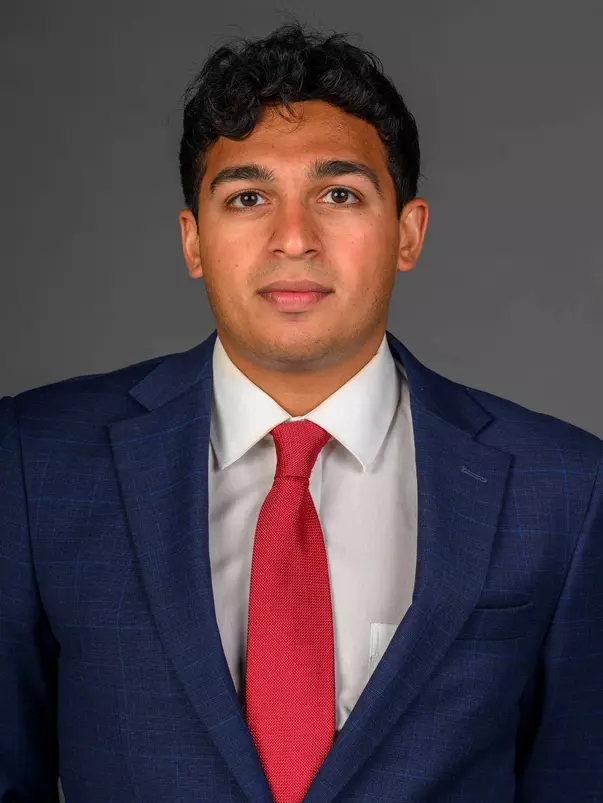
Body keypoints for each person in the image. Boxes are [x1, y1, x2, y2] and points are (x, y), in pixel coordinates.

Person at [1, 20, 601, 803]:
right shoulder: (34, 460)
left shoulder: (563, 487)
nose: (293, 238)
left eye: (339, 193)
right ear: (192, 241)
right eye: (248, 197)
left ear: (406, 233)